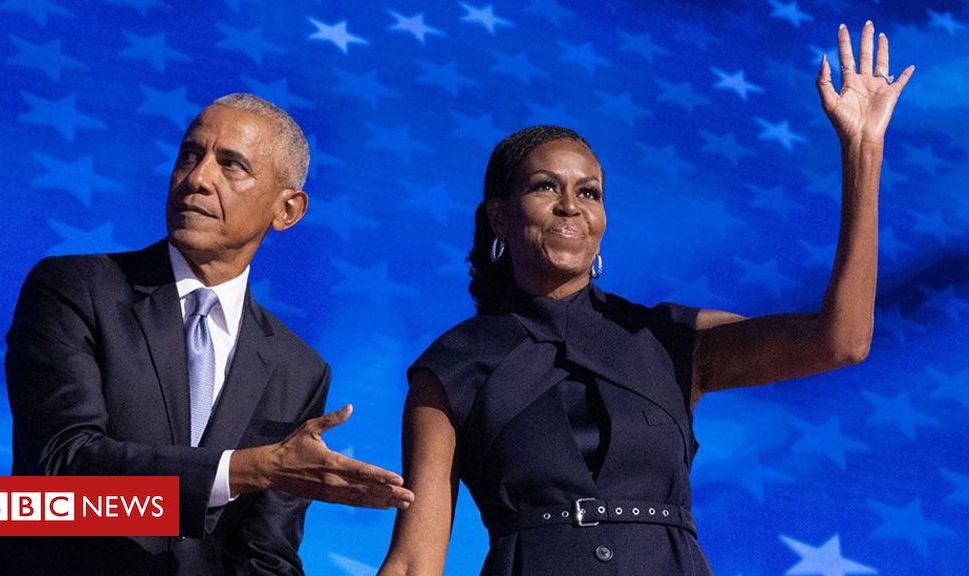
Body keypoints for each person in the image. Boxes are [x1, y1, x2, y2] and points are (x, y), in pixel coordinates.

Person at [379, 22, 912, 575]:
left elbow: (841, 341)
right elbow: (416, 559)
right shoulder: (454, 364)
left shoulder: (670, 340)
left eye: (589, 192)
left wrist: (862, 150)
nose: (571, 206)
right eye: (545, 187)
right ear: (499, 217)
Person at [0, 93, 414, 576]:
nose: (198, 179)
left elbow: (265, 555)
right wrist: (248, 469)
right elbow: (56, 478)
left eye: (232, 165)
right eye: (190, 155)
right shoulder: (76, 289)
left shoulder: (299, 369)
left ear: (287, 210)